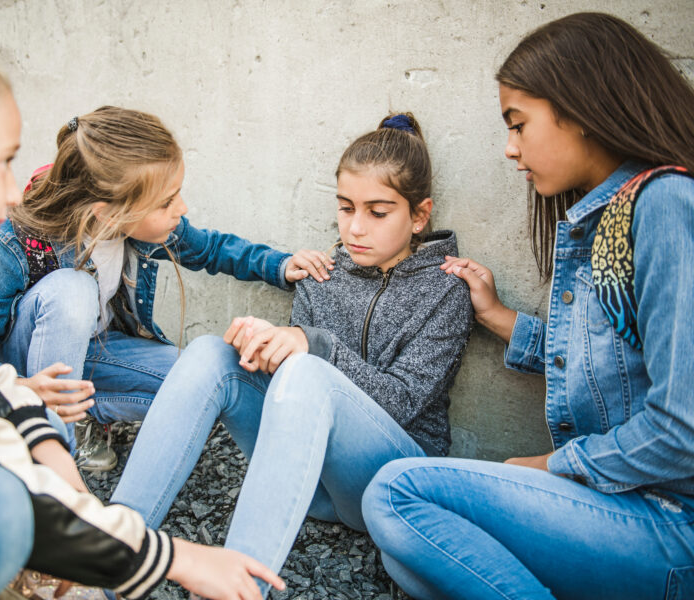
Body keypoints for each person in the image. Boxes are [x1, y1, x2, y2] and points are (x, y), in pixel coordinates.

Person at [0, 21, 284, 600]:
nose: (13, 189)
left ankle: (77, 437)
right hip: (33, 373)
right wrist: (167, 557)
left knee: (187, 376)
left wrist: (56, 465)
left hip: (77, 374)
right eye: (1, 162)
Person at [362, 12, 694, 600]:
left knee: (396, 493)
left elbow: (682, 429)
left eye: (518, 125)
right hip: (622, 507)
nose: (510, 150)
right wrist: (496, 316)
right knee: (413, 564)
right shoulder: (612, 216)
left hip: (672, 522)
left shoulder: (665, 203)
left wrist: (550, 466)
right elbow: (616, 366)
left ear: (584, 108)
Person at [111, 112, 473, 596]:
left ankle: (238, 590)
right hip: (314, 485)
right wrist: (261, 348)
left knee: (307, 371)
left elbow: (405, 401)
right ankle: (113, 551)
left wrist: (311, 347)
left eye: (378, 212)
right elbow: (292, 387)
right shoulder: (323, 272)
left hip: (391, 483)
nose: (355, 228)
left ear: (419, 215)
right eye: (346, 209)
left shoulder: (446, 289)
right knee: (206, 354)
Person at [0, 105, 333, 469]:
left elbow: (210, 249)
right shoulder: (7, 246)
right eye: (167, 201)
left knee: (200, 380)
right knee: (72, 290)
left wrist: (281, 265)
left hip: (93, 352)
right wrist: (23, 389)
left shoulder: (138, 224)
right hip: (26, 371)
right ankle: (53, 446)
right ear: (106, 212)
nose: (181, 208)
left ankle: (84, 413)